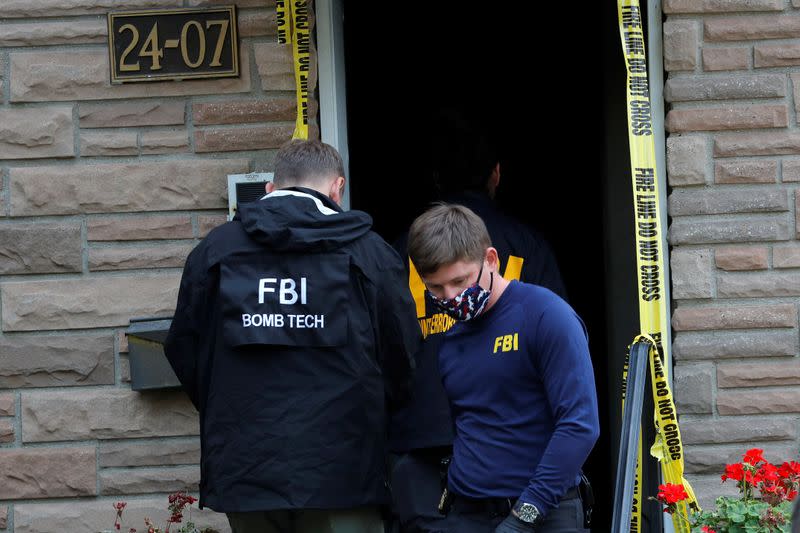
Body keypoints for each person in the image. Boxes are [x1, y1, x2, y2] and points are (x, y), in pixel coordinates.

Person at [164, 139, 420, 533]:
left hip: (247, 466)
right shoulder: (369, 254)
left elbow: (184, 348)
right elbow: (402, 355)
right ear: (339, 188)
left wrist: (228, 408)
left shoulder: (215, 252)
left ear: (270, 188)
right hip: (343, 471)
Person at [388, 111, 568, 533]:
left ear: (435, 179)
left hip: (419, 438)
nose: (450, 297)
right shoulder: (527, 244)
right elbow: (560, 355)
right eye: (439, 287)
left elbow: (381, 347)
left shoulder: (399, 250)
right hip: (505, 446)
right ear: (496, 175)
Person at [405, 203, 599, 533]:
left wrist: (525, 516)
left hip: (544, 513)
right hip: (468, 512)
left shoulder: (545, 316)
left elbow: (580, 425)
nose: (451, 298)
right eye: (436, 288)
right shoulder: (453, 338)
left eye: (460, 281)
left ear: (491, 260)